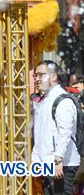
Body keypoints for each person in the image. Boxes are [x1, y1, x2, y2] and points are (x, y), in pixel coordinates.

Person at [33, 60, 81, 194]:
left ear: (53, 77)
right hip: (45, 163)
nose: (37, 79)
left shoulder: (63, 100)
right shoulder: (44, 100)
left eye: (41, 75)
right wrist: (35, 159)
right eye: (35, 76)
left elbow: (64, 132)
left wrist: (58, 159)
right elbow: (39, 134)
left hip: (62, 164)